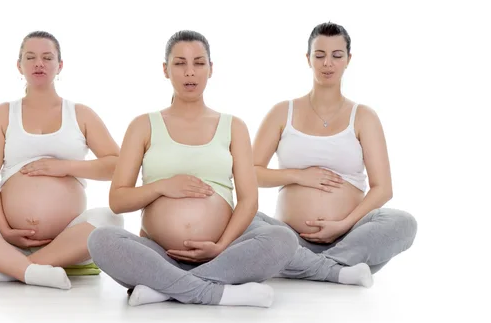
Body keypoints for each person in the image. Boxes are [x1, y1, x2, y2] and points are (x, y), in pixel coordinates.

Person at [87, 30, 298, 307]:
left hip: (222, 253)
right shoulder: (143, 125)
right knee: (101, 239)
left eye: (199, 63)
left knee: (283, 238)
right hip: (158, 252)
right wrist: (162, 186)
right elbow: (117, 200)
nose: (190, 72)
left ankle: (165, 288)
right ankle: (216, 292)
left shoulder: (234, 126)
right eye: (179, 63)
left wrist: (221, 245)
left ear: (211, 69)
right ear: (165, 69)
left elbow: (249, 200)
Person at [0, 31, 124, 290]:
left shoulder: (81, 114)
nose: (39, 63)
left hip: (68, 238)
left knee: (111, 218)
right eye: (30, 57)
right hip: (7, 238)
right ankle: (31, 268)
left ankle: (12, 270)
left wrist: (64, 167)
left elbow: (117, 166)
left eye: (47, 57)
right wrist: (4, 229)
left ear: (60, 65)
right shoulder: (1, 114)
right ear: (19, 65)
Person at [252, 22, 418, 286]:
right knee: (245, 220)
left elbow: (383, 188)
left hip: (350, 236)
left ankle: (303, 265)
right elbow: (250, 173)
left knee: (404, 222)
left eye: (336, 55)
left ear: (348, 60)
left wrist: (344, 224)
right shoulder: (282, 112)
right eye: (319, 55)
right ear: (308, 59)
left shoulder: (364, 117)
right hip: (289, 236)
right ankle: (336, 271)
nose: (327, 63)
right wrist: (298, 176)